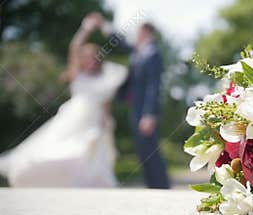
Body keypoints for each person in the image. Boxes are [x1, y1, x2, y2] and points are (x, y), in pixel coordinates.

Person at [0, 13, 127, 187]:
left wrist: (106, 118)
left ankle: (86, 182)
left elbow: (105, 101)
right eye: (87, 56)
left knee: (91, 151)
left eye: (93, 56)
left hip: (95, 118)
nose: (90, 59)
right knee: (64, 147)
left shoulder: (104, 77)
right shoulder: (78, 75)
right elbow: (74, 46)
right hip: (75, 115)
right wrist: (86, 28)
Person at [100, 17, 170, 189]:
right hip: (136, 108)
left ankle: (161, 186)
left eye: (138, 32)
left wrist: (149, 114)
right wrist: (105, 27)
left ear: (146, 32)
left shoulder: (153, 53)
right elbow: (122, 45)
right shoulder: (139, 51)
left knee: (150, 150)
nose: (135, 35)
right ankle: (153, 186)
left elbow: (153, 87)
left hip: (145, 112)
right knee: (142, 150)